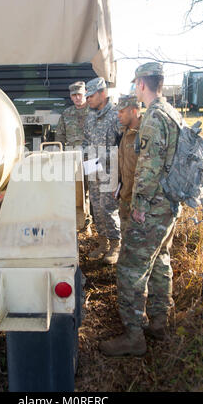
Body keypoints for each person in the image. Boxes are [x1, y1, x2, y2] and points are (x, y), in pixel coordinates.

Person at [99, 62, 183, 356]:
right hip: (170, 204)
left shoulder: (153, 118)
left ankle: (134, 336)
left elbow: (149, 167)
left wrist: (139, 206)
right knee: (161, 261)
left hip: (152, 208)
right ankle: (159, 322)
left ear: (141, 85)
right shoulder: (173, 113)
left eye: (135, 83)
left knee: (129, 269)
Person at [82, 77, 121, 264]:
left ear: (103, 94)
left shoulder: (116, 115)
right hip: (93, 170)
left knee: (109, 210)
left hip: (110, 171)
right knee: (96, 209)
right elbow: (85, 140)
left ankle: (116, 246)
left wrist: (99, 156)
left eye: (91, 95)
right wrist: (83, 154)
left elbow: (122, 147)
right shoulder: (90, 116)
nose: (87, 99)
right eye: (86, 96)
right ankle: (103, 243)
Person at [55, 81, 92, 235]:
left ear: (86, 94)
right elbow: (60, 136)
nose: (77, 98)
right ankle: (80, 223)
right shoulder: (66, 114)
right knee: (76, 191)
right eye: (74, 95)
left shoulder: (94, 112)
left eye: (80, 94)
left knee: (93, 191)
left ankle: (89, 223)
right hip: (72, 159)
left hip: (91, 158)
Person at [116, 94, 142, 237]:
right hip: (125, 198)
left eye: (121, 112)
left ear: (133, 111)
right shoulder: (125, 133)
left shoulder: (145, 133)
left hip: (140, 204)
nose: (118, 116)